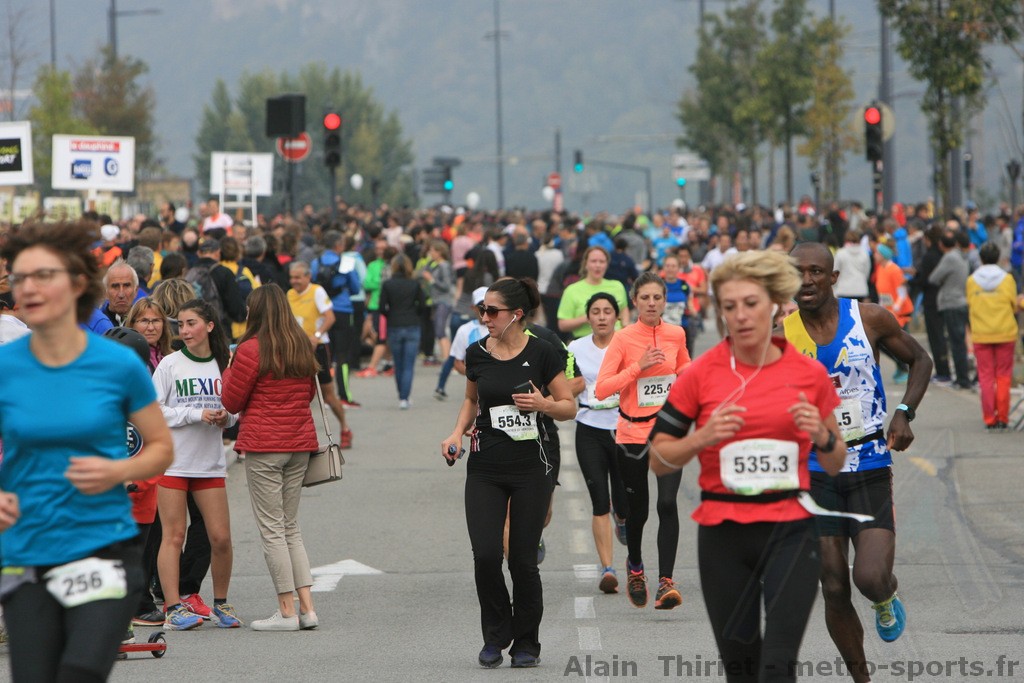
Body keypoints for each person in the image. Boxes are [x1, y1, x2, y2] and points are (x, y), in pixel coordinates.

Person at [649, 249, 847, 683]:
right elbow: (658, 460)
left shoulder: (808, 373)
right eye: (730, 306)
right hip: (724, 536)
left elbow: (835, 462)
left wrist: (822, 435)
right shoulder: (699, 375)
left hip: (791, 532)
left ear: (774, 304)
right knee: (741, 671)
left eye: (751, 303)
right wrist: (701, 438)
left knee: (777, 667)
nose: (740, 315)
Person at [0, 220, 173, 682]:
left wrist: (117, 471)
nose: (28, 288)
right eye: (19, 277)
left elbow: (160, 448)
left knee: (79, 671)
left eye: (43, 276)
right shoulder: (6, 365)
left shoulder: (116, 363)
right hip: (28, 551)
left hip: (102, 546)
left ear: (77, 283)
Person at [785, 242, 932, 682]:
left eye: (816, 271)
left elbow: (920, 359)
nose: (806, 280)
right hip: (815, 472)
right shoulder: (781, 338)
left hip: (869, 464)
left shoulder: (869, 318)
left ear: (833, 278)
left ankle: (885, 596)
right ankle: (861, 678)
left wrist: (903, 413)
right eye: (798, 272)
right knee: (832, 584)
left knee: (868, 578)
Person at [440, 278, 576, 669]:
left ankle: (526, 642)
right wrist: (455, 433)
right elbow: (471, 400)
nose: (484, 317)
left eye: (492, 311)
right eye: (482, 310)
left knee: (522, 560)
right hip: (485, 467)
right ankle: (495, 635)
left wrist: (543, 404)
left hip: (531, 468)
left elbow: (568, 406)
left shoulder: (543, 351)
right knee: (486, 555)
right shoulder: (476, 353)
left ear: (516, 314)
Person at [221, 284, 321, 632]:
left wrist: (229, 368)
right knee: (290, 526)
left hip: (265, 446)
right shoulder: (300, 344)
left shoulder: (250, 349)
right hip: (299, 443)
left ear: (257, 311)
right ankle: (308, 608)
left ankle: (286, 611)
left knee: (272, 529)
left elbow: (231, 401)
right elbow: (308, 393)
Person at [594, 272, 690, 609]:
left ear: (665, 301)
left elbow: (685, 369)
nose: (651, 304)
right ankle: (635, 566)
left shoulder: (676, 334)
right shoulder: (623, 339)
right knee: (639, 511)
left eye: (657, 298)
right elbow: (602, 388)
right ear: (635, 301)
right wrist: (638, 366)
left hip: (667, 433)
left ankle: (666, 582)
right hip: (632, 434)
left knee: (667, 503)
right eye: (645, 298)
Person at [152, 298, 241, 630]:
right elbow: (153, 410)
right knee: (174, 536)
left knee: (221, 538)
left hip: (209, 464)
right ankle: (173, 608)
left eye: (191, 323)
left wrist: (226, 417)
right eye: (181, 325)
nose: (185, 331)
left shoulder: (224, 364)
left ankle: (221, 603)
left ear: (210, 326)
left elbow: (236, 409)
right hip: (174, 463)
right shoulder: (170, 364)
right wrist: (195, 414)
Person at [567, 293, 630, 594]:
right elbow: (565, 384)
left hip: (624, 430)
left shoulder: (628, 343)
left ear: (616, 316)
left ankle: (623, 518)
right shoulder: (575, 348)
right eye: (596, 312)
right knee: (599, 501)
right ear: (588, 317)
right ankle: (608, 568)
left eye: (607, 311)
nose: (602, 317)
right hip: (589, 429)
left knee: (624, 501)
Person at [287, 260, 353, 448]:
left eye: (298, 277)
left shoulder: (317, 291)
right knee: (296, 393)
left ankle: (345, 427)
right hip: (297, 349)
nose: (294, 281)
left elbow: (330, 317)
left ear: (308, 276)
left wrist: (316, 336)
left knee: (328, 395)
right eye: (292, 278)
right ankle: (296, 437)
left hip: (318, 348)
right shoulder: (289, 294)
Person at [966, 241, 1021, 429]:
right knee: (1003, 375)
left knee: (985, 376)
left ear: (981, 258)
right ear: (998, 258)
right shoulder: (1007, 279)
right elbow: (1013, 304)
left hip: (981, 333)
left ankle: (989, 418)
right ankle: (1003, 417)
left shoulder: (972, 280)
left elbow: (970, 304)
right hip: (1005, 332)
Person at [379, 254, 427, 409]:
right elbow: (423, 305)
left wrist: (391, 315)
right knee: (408, 364)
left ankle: (402, 395)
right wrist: (415, 314)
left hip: (394, 324)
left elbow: (381, 307)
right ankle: (405, 397)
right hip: (412, 323)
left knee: (398, 363)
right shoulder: (414, 283)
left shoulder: (387, 284)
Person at [557, 246, 630, 339]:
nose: (598, 265)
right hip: (584, 341)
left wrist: (625, 326)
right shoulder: (571, 290)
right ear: (585, 264)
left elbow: (623, 309)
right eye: (593, 261)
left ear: (607, 265)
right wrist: (588, 317)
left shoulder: (617, 286)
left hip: (616, 339)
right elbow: (562, 325)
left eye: (602, 262)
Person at [126, 297, 173, 371]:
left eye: (156, 321)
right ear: (132, 324)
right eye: (144, 321)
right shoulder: (127, 360)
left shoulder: (173, 357)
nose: (151, 328)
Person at [101, 258, 142, 327]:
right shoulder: (97, 323)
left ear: (136, 291)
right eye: (115, 286)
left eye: (126, 286)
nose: (121, 294)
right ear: (106, 292)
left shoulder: (145, 324)